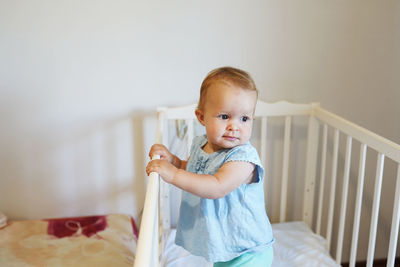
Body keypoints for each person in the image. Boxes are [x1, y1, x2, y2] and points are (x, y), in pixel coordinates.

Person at [146, 67, 274, 267]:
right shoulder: (201, 144)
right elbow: (195, 169)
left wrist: (173, 175)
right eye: (224, 116)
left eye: (244, 118)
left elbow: (216, 186)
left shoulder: (244, 159)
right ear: (202, 117)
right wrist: (174, 162)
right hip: (224, 247)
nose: (234, 126)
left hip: (248, 250)